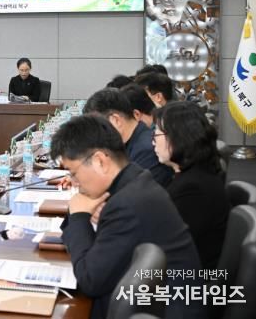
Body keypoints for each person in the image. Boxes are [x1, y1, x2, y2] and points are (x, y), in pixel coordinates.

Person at [52, 115, 205, 319]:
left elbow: (90, 281)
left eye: (73, 173)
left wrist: (80, 216)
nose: (74, 182)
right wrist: (80, 215)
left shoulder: (127, 204)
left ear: (99, 161)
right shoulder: (134, 178)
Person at [152, 101, 228, 269]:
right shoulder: (194, 172)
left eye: (156, 135)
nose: (153, 142)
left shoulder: (193, 190)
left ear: (178, 137)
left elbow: (165, 246)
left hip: (191, 276)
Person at [83, 88, 173, 187]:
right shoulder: (131, 143)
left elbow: (133, 192)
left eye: (98, 127)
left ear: (115, 120)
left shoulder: (146, 150)